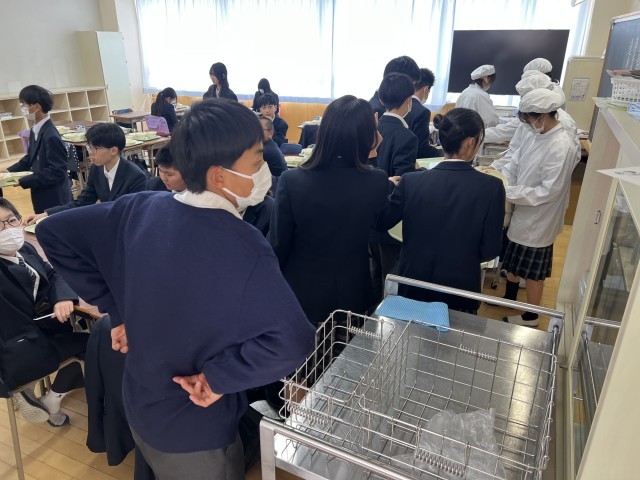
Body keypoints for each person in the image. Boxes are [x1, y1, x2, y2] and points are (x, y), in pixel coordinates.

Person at [36, 98, 315, 480]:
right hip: (194, 425)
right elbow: (293, 340)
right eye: (256, 160)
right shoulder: (244, 245)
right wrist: (219, 378)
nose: (264, 168)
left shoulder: (142, 207)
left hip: (141, 401)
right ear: (219, 176)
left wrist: (118, 310)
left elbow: (54, 232)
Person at [268, 95, 391, 326]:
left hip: (302, 292)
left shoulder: (291, 181)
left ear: (324, 132)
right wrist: (372, 153)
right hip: (353, 291)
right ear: (368, 137)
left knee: (305, 349)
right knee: (347, 348)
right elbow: (380, 219)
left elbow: (278, 245)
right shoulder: (377, 181)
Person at [375, 108, 505, 314]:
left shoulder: (411, 181)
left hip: (413, 282)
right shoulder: (492, 187)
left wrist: (383, 183)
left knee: (409, 333)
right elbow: (490, 250)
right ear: (471, 142)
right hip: (460, 287)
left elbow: (382, 222)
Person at [0, 198, 86, 427]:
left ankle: (30, 389)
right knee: (93, 342)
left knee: (83, 327)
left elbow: (53, 273)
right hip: (20, 346)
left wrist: (62, 297)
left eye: (11, 220)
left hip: (44, 325)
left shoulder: (24, 248)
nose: (7, 229)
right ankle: (51, 398)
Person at [499, 89, 580, 327]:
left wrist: (510, 192)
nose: (526, 123)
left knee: (533, 271)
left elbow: (548, 191)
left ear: (542, 116)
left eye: (528, 118)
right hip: (522, 208)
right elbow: (516, 162)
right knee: (513, 260)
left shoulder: (561, 145)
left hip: (540, 218)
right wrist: (501, 177)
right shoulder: (535, 134)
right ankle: (510, 298)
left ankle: (532, 316)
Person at [25, 123, 147, 225]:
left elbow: (134, 215)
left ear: (113, 151)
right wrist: (46, 214)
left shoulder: (136, 176)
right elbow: (83, 201)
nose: (90, 153)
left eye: (95, 149)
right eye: (89, 148)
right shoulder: (97, 169)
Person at [0, 85, 71, 213]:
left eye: (24, 105)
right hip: (41, 191)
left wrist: (24, 181)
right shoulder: (35, 129)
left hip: (55, 196)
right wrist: (8, 172)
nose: (22, 108)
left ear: (37, 107)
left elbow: (57, 171)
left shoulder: (50, 135)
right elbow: (29, 158)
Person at [376, 73, 419, 176]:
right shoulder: (408, 137)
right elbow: (403, 179)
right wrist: (420, 170)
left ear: (381, 100)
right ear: (409, 99)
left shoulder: (371, 128)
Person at [405, 67, 440, 158]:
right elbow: (421, 148)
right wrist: (440, 153)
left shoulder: (401, 105)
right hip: (412, 160)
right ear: (426, 89)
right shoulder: (423, 112)